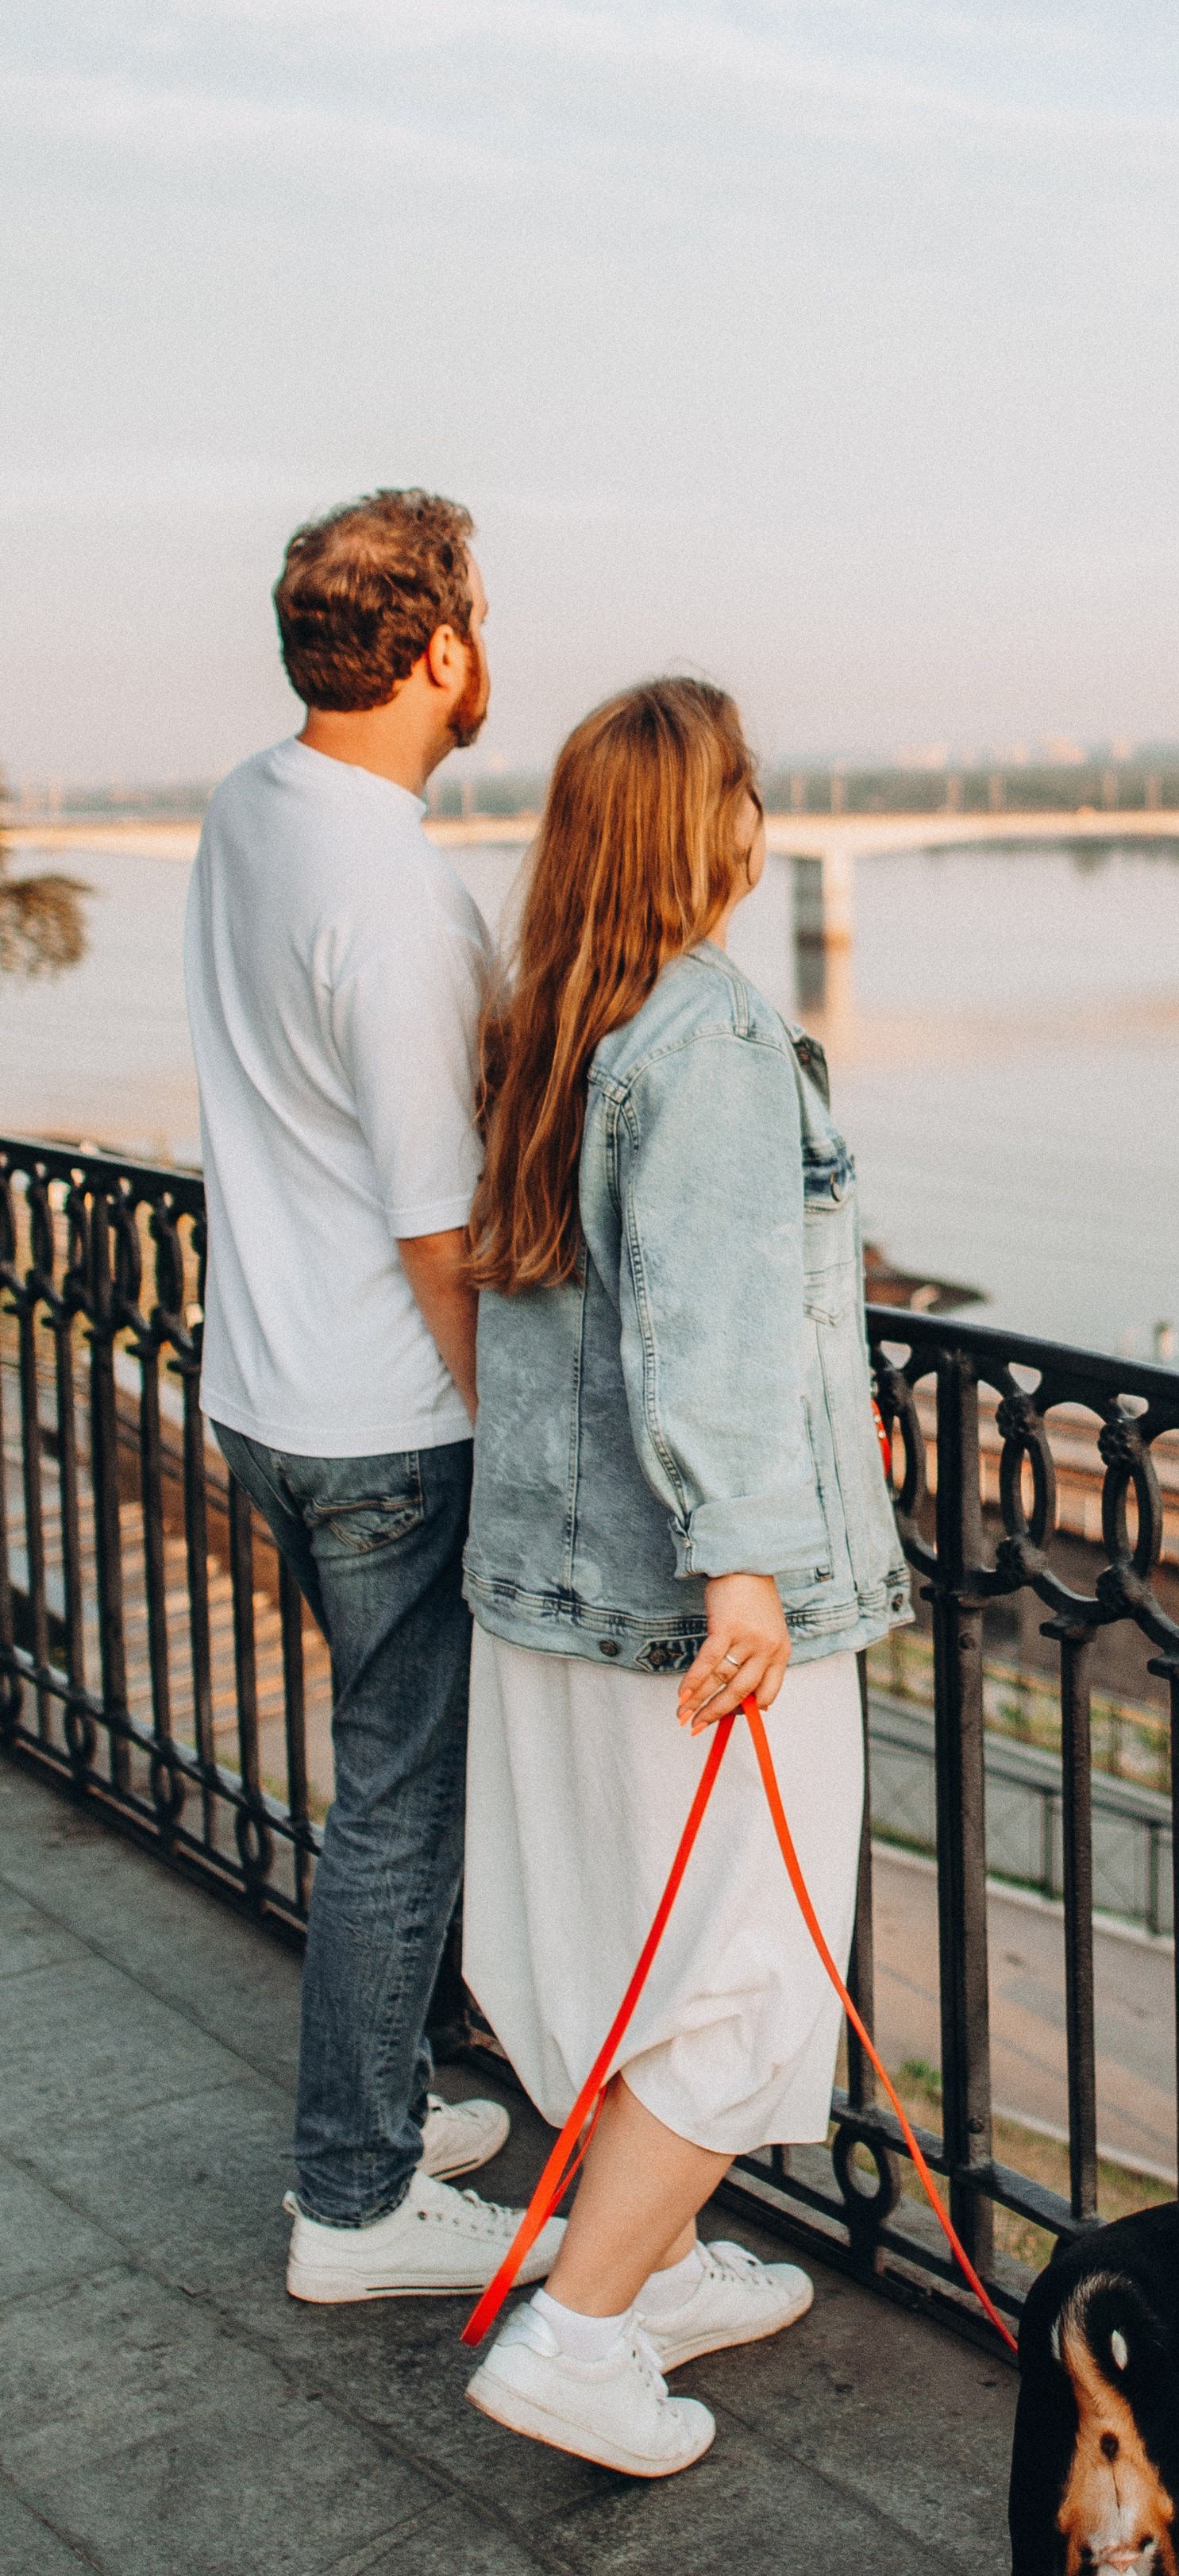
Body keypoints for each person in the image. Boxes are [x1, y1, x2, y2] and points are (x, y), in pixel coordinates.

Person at [457, 677, 910, 2477]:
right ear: (703, 829)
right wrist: (745, 1572)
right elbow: (711, 1333)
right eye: (743, 792)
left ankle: (624, 2270)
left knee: (601, 1954)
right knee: (746, 1975)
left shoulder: (548, 1026)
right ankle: (574, 2342)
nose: (760, 822)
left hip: (546, 1589)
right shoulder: (708, 1042)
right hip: (700, 1610)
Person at [185, 489, 564, 2304]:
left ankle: (390, 2095)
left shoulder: (253, 807)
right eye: (477, 617)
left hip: (261, 1381)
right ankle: (354, 2198)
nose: (487, 645)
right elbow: (438, 1233)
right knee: (398, 1800)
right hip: (384, 1419)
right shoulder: (399, 898)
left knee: (384, 1783)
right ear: (438, 651)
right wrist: (528, 1436)